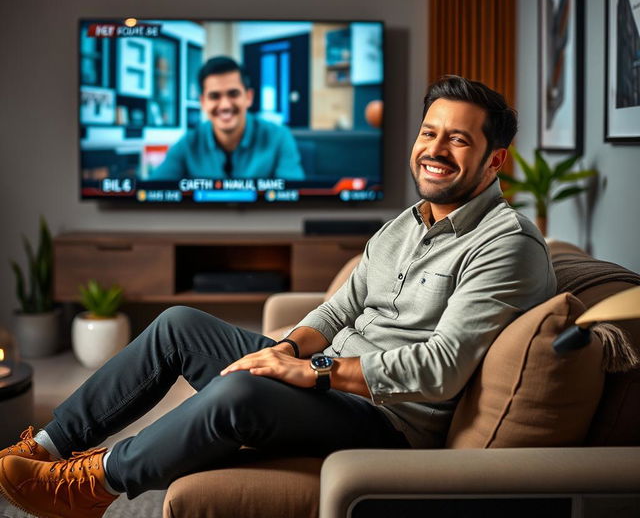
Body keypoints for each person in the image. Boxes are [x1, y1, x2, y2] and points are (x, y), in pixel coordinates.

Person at [0, 76, 556, 518]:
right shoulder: (404, 225)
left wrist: (313, 371)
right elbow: (340, 308)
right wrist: (287, 350)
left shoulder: (506, 246)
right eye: (429, 132)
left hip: (391, 421)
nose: (435, 149)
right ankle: (48, 446)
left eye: (458, 138)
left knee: (239, 391)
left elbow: (443, 369)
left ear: (494, 160)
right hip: (334, 385)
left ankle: (91, 488)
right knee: (178, 323)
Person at [150, 56, 305, 180]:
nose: (224, 105)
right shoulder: (188, 144)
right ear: (203, 102)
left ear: (249, 97)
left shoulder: (279, 137)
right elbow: (153, 194)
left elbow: (295, 198)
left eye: (233, 94)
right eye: (214, 96)